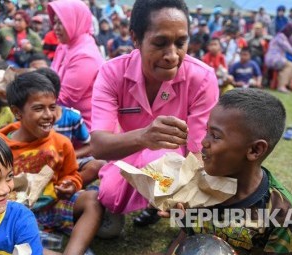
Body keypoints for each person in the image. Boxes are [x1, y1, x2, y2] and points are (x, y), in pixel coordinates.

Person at [111, 89, 292, 255]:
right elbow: (186, 237)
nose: (203, 143)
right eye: (206, 132)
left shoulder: (280, 212)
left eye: (215, 136)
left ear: (255, 150)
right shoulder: (199, 183)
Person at [91, 0, 219, 229]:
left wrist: (187, 190)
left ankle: (162, 203)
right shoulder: (112, 73)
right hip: (129, 155)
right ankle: (145, 199)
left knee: (164, 162)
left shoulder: (202, 78)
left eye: (181, 43)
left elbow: (200, 151)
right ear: (135, 39)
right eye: (160, 43)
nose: (172, 55)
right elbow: (99, 146)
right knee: (110, 195)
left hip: (179, 161)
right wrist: (144, 137)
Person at [0, 72, 104, 255]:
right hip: (15, 215)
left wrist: (70, 184)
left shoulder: (61, 142)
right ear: (17, 112)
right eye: (38, 108)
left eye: (52, 107)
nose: (48, 115)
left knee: (94, 199)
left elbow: (72, 174)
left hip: (53, 205)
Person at [35, 67, 106, 187]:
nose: (46, 113)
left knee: (98, 165)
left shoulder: (72, 117)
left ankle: (67, 187)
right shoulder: (30, 119)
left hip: (67, 161)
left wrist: (68, 155)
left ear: (56, 95)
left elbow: (89, 145)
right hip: (38, 163)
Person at [48, 0, 104, 130]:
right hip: (61, 112)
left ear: (75, 21)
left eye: (61, 22)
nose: (55, 27)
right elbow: (50, 80)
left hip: (84, 125)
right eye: (55, 22)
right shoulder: (65, 46)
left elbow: (63, 98)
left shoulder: (85, 56)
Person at [265, 22, 292, 93]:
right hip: (273, 59)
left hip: (274, 58)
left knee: (290, 64)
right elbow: (288, 48)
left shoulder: (280, 35)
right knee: (290, 65)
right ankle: (281, 86)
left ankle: (287, 85)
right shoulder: (281, 36)